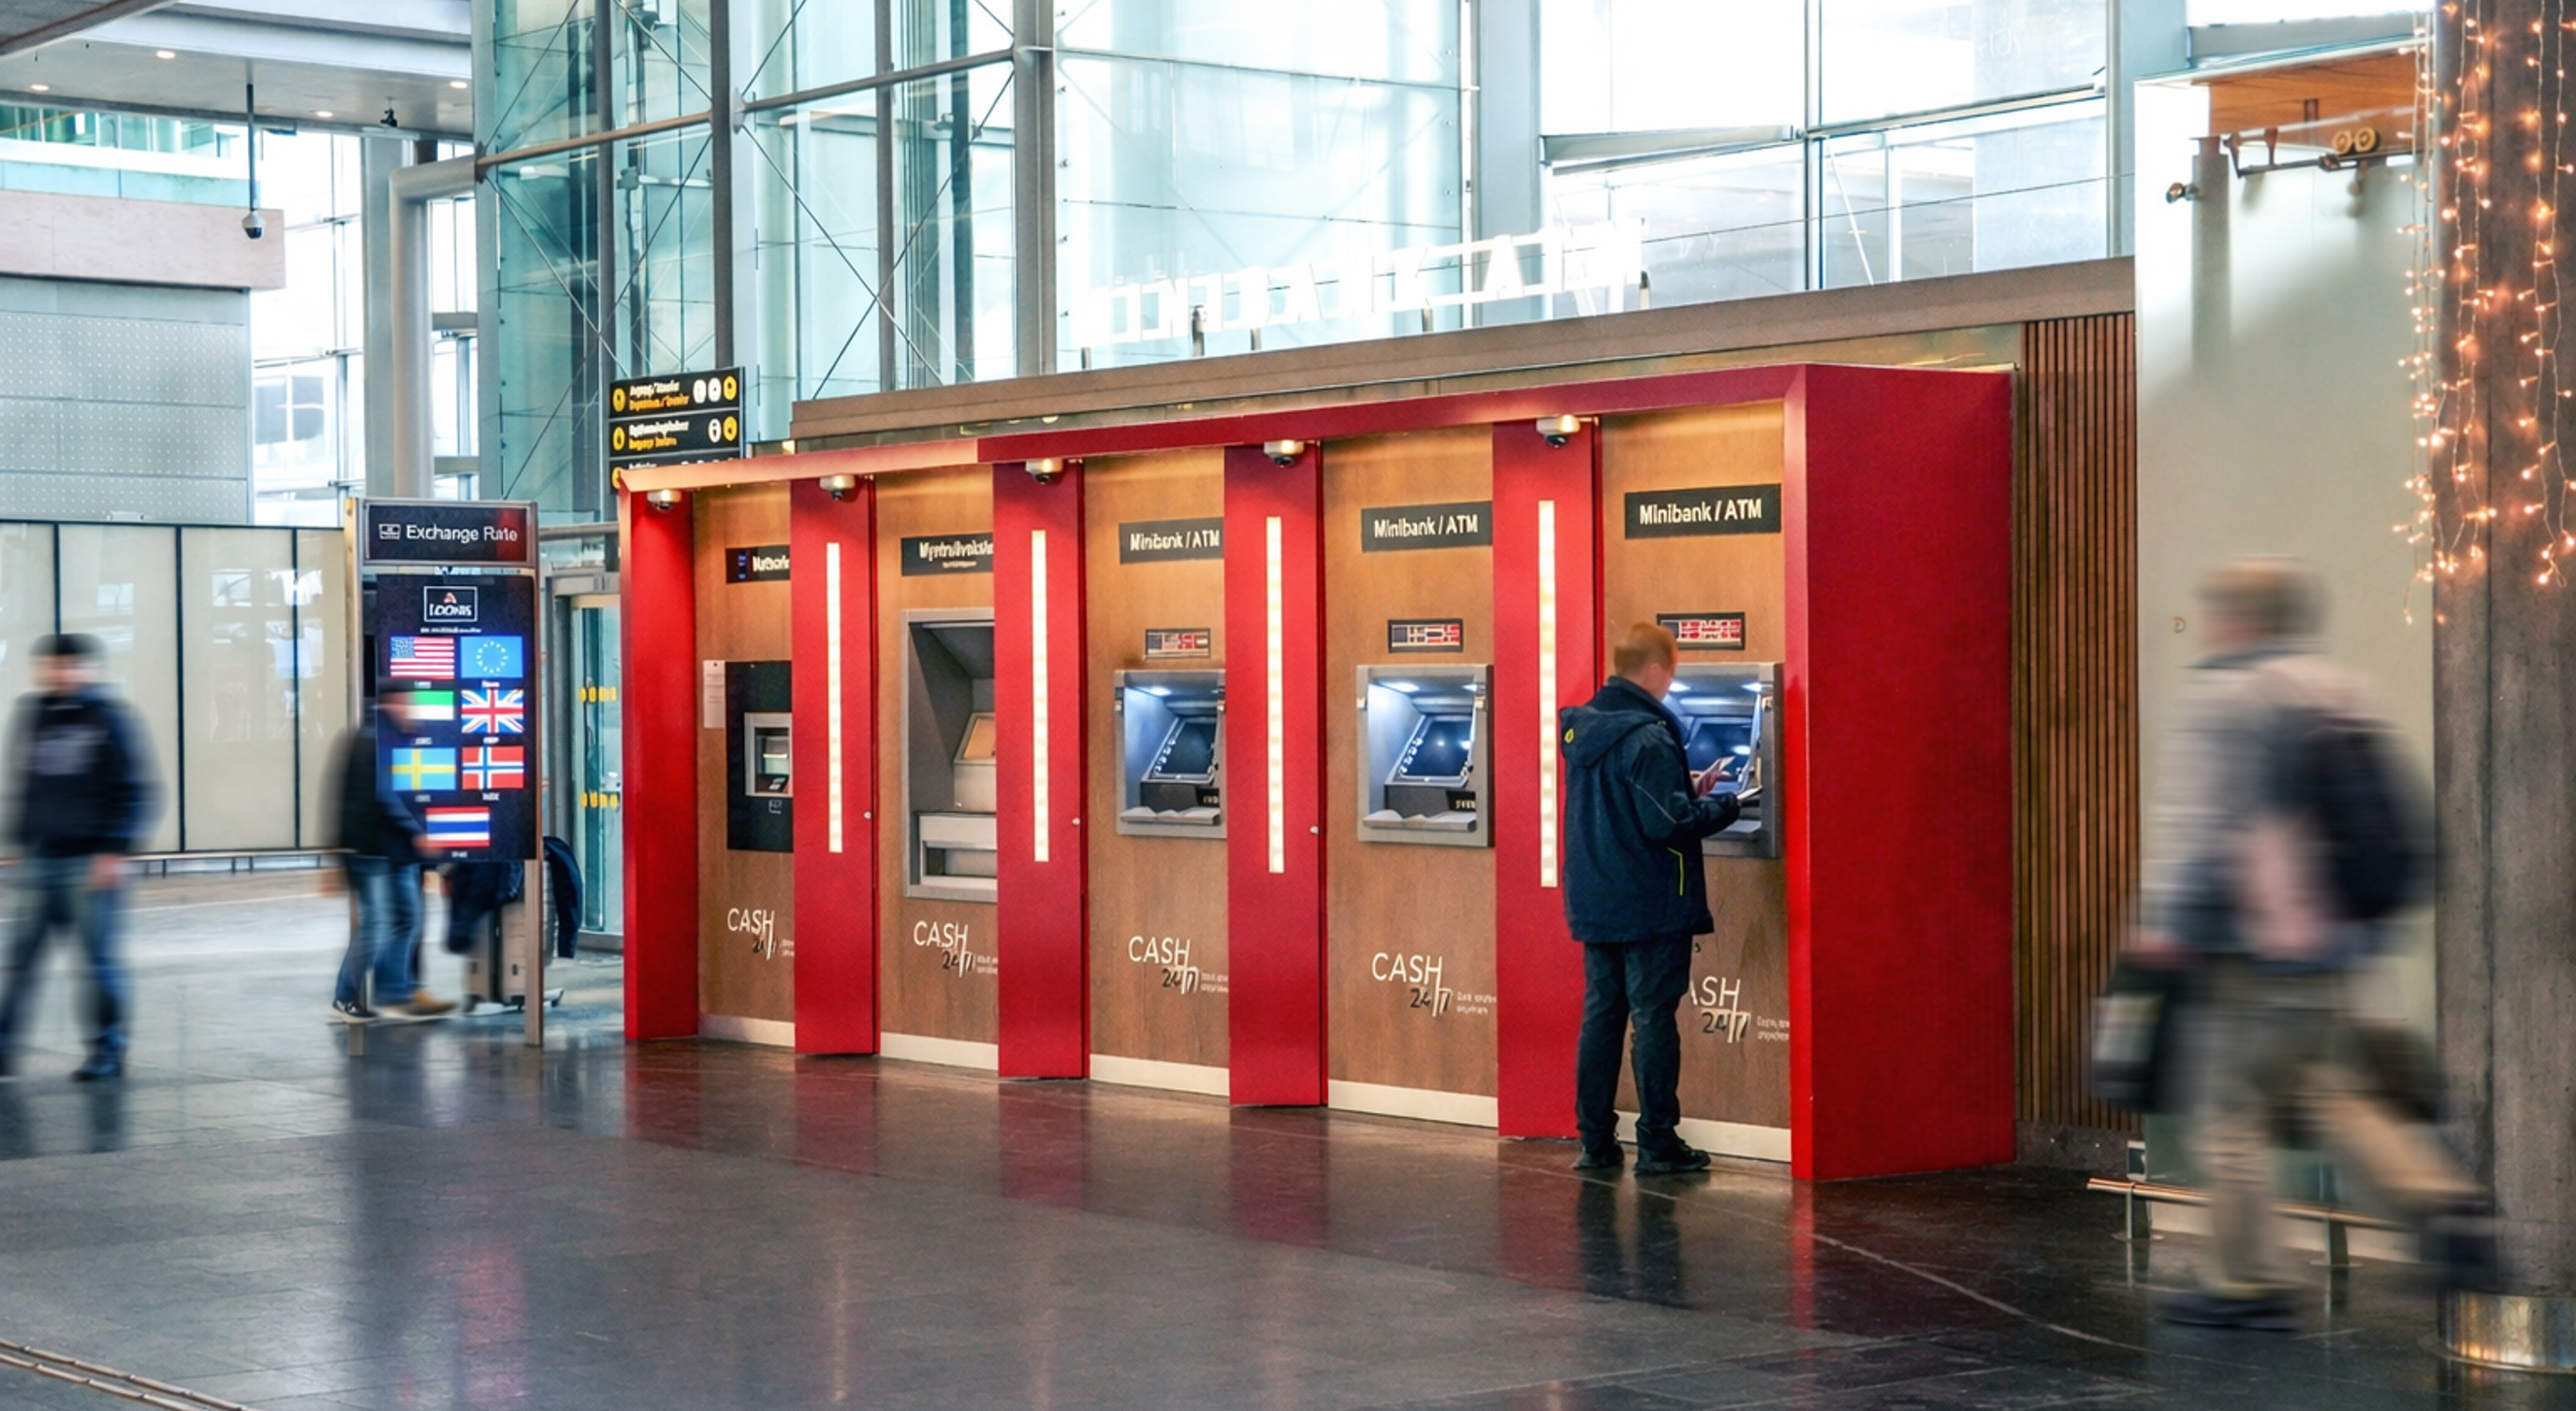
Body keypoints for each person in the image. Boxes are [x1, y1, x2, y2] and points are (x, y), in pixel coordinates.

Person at [2133, 558, 2489, 1330]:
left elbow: (2208, 829)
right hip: (2330, 952)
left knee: (2229, 1115)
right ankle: (2442, 1202)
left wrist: (2170, 928)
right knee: (2336, 1096)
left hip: (2245, 953)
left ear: (2238, 618)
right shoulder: (2340, 691)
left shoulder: (2231, 698)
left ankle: (2245, 1281)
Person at [1559, 623, 1749, 1175]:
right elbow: (1667, 824)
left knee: (1602, 1018)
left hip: (1596, 898)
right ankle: (1658, 1141)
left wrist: (1681, 787)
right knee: (1653, 1020)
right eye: (1672, 672)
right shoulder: (1648, 736)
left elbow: (1628, 804)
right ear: (1656, 670)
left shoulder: (1588, 728)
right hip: (1649, 903)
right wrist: (1730, 806)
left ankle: (1595, 1142)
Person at [0, 634, 159, 1081]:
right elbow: (27, 785)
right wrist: (18, 843)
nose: (61, 673)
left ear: (88, 669)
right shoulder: (32, 715)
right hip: (39, 859)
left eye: (70, 666)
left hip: (89, 863)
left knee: (96, 963)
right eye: (53, 666)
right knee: (20, 961)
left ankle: (107, 1052)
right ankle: (4, 1048)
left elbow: (132, 791)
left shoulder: (110, 719)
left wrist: (113, 851)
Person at [328, 684, 457, 1022]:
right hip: (373, 851)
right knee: (379, 923)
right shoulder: (375, 738)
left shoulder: (391, 735)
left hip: (392, 851)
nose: (413, 710)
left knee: (407, 919)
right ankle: (345, 996)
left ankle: (394, 991)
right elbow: (385, 794)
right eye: (409, 703)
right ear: (393, 702)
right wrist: (418, 834)